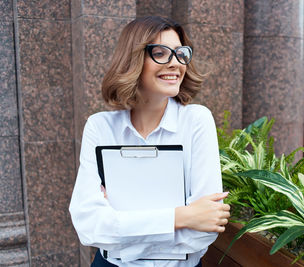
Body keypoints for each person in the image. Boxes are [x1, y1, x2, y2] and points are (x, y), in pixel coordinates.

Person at [69, 16, 230, 267]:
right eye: (160, 53)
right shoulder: (100, 127)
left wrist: (122, 224)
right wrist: (182, 216)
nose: (175, 63)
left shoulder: (197, 121)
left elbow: (203, 232)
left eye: (180, 53)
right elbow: (89, 226)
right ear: (132, 59)